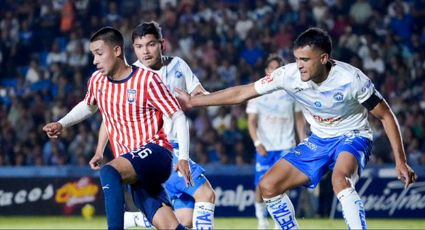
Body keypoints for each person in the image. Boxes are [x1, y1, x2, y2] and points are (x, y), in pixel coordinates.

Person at [176, 27, 417, 229]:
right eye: (296, 59)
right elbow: (242, 92)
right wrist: (195, 101)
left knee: (340, 178)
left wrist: (400, 160)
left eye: (305, 60)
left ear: (324, 58)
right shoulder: (287, 75)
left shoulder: (352, 80)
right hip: (319, 139)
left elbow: (385, 115)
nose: (298, 65)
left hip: (352, 136)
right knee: (268, 186)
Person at [43, 27, 191, 230]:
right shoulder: (97, 81)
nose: (94, 61)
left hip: (157, 154)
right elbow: (89, 106)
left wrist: (183, 157)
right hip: (133, 166)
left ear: (117, 51)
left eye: (99, 53)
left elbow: (178, 115)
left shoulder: (147, 80)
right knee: (168, 226)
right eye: (93, 55)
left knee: (109, 171)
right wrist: (61, 123)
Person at [95, 21, 215, 229]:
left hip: (178, 146)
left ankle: (133, 219)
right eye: (139, 47)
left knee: (185, 219)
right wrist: (99, 150)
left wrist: (202, 98)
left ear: (162, 44)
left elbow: (200, 93)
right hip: (158, 150)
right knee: (206, 194)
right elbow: (110, 118)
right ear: (133, 49)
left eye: (150, 45)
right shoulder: (132, 76)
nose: (145, 52)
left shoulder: (178, 64)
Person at [246, 55, 305, 229]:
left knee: (281, 185)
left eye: (278, 68)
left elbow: (299, 120)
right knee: (260, 185)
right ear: (266, 71)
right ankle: (261, 220)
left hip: (286, 145)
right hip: (265, 146)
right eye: (271, 67)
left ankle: (279, 222)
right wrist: (257, 142)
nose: (274, 71)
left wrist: (302, 143)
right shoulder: (257, 92)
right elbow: (251, 122)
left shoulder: (291, 91)